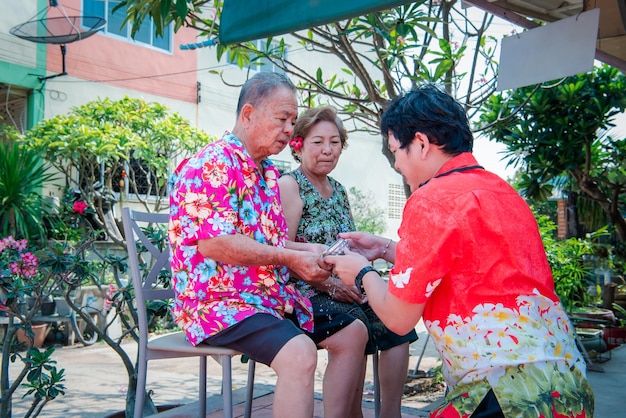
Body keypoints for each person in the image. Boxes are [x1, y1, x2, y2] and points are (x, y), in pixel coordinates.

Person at [325, 85, 594, 417]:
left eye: (396, 150)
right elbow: (466, 264)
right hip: (566, 388)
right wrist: (382, 248)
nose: (396, 164)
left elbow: (397, 318)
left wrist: (361, 273)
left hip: (503, 393)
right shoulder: (504, 192)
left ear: (421, 144)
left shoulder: (430, 199)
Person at [168, 72, 331, 418]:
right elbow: (215, 244)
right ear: (248, 114)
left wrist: (310, 252)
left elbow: (269, 243)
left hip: (261, 297)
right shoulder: (214, 163)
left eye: (292, 120)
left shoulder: (265, 170)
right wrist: (290, 257)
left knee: (352, 333)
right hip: (216, 302)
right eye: (282, 119)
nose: (290, 130)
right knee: (300, 353)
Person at [278, 106, 417, 418]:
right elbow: (280, 250)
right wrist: (330, 283)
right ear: (298, 144)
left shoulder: (339, 190)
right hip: (305, 289)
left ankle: (389, 413)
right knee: (357, 322)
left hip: (343, 284)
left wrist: (360, 274)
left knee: (396, 321)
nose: (328, 150)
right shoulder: (291, 184)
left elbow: (347, 243)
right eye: (318, 142)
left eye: (335, 142)